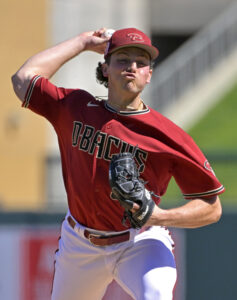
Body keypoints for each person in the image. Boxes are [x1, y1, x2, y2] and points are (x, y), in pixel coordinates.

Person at [11, 27, 224, 300]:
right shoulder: (74, 108)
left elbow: (212, 208)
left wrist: (160, 216)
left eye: (141, 62)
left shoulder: (169, 136)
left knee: (156, 295)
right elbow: (23, 79)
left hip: (140, 240)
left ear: (150, 74)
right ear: (105, 69)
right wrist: (84, 42)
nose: (132, 67)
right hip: (80, 243)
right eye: (122, 60)